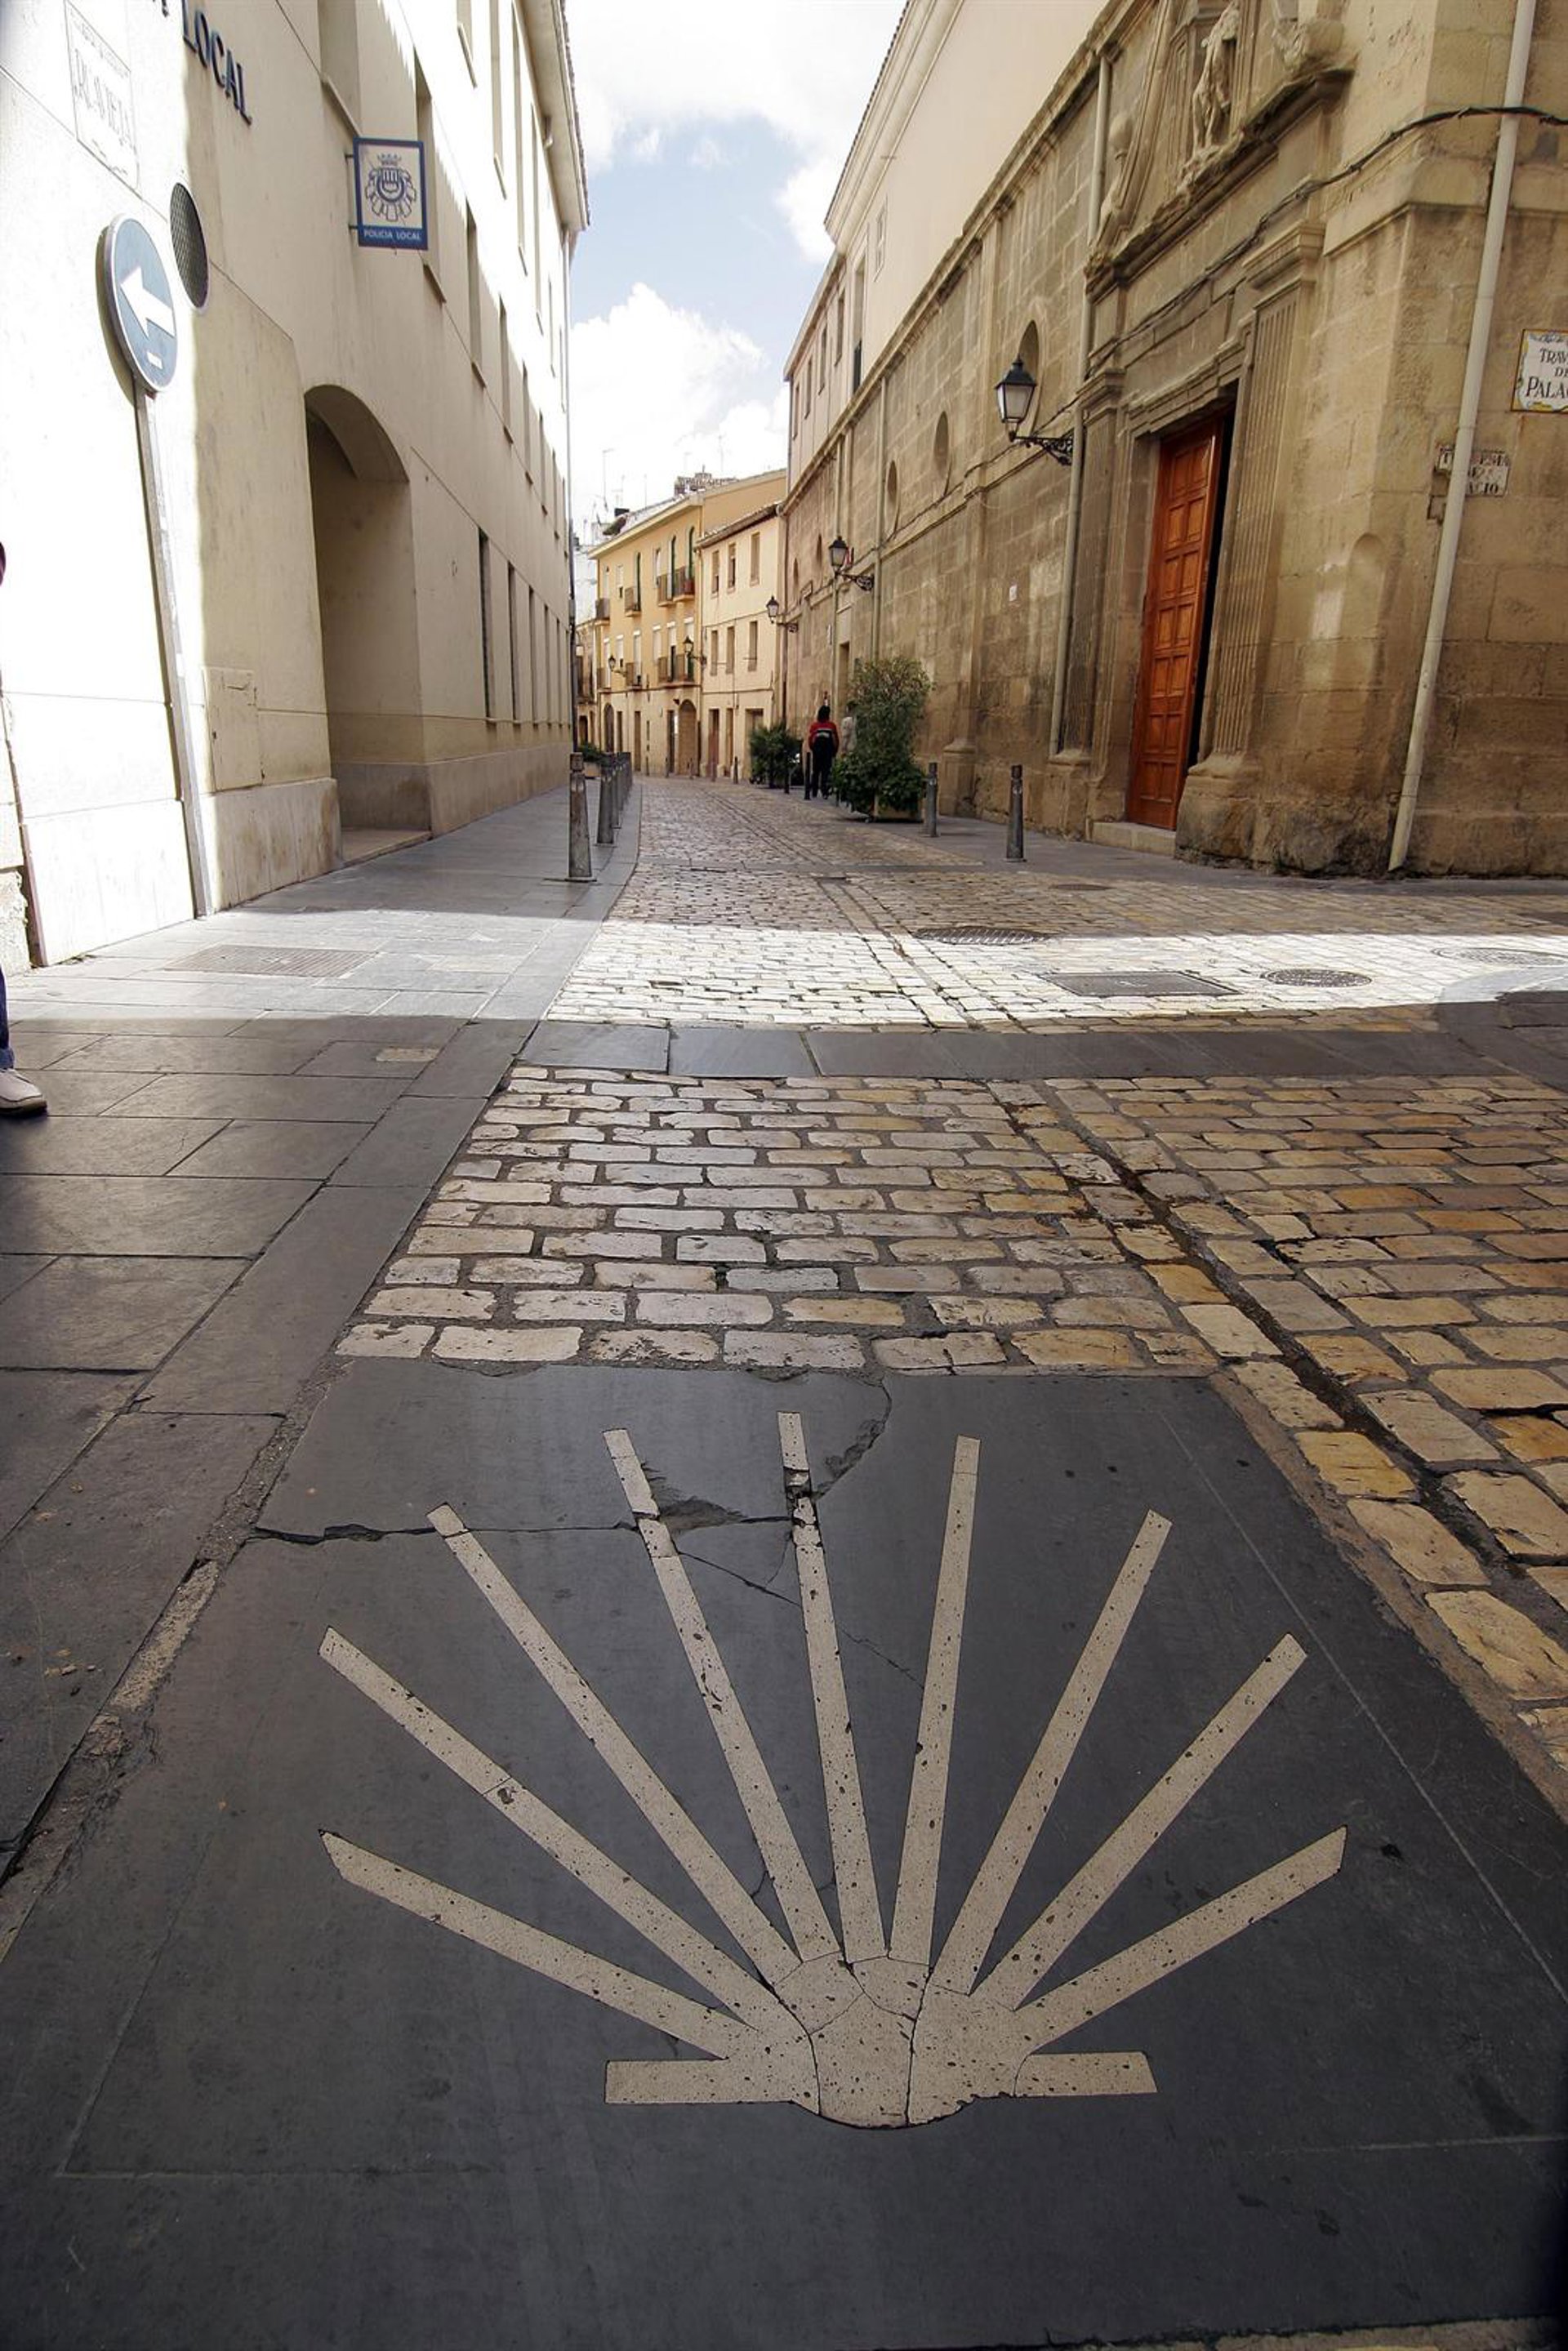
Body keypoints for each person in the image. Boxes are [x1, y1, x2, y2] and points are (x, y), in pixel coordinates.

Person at [805, 702, 839, 800]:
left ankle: (814, 790)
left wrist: (813, 748)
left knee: (816, 771)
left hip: (817, 752)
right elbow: (835, 739)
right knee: (826, 772)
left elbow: (811, 739)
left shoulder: (815, 726)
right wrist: (835, 751)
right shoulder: (831, 726)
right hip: (828, 752)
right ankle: (825, 791)